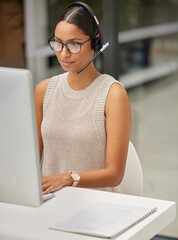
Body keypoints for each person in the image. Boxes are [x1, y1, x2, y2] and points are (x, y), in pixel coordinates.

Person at [34, 2, 131, 195]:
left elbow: (115, 175)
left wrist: (67, 178)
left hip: (97, 206)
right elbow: (31, 161)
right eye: (58, 43)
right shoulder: (44, 90)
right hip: (51, 203)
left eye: (74, 44)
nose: (64, 53)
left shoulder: (113, 94)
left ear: (95, 42)